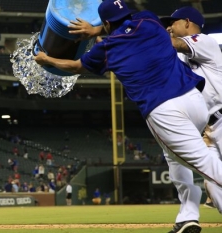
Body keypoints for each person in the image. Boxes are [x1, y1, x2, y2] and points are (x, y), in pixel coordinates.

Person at [34, 0, 222, 229]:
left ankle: (189, 214)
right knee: (175, 160)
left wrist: (47, 60)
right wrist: (98, 30)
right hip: (195, 101)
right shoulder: (150, 20)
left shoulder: (107, 47)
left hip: (164, 109)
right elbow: (131, 28)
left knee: (205, 163)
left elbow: (75, 67)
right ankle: (187, 216)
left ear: (105, 23)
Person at [159, 6, 222, 233]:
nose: (169, 27)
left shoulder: (204, 41)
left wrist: (154, 36)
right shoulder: (178, 54)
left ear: (187, 23)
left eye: (173, 22)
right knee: (213, 183)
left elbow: (175, 43)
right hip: (205, 127)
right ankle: (188, 220)